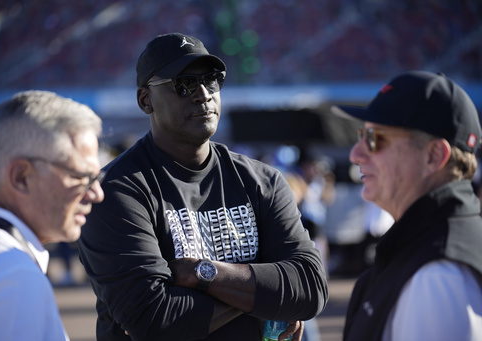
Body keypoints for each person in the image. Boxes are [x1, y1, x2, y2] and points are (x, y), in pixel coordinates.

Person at [78, 32, 329, 341]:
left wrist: (202, 273)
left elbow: (310, 287)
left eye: (211, 80)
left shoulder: (263, 181)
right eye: (182, 84)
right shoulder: (115, 190)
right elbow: (154, 320)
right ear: (146, 100)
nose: (202, 93)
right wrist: (265, 295)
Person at [331, 71, 482, 341]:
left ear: (434, 156)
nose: (356, 153)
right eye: (360, 135)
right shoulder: (427, 252)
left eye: (375, 138)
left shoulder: (439, 278)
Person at [0, 90, 104, 340]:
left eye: (97, 177)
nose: (96, 193)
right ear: (22, 178)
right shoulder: (7, 272)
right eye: (83, 177)